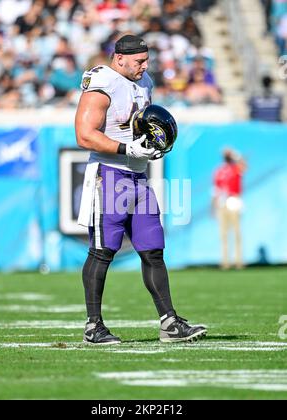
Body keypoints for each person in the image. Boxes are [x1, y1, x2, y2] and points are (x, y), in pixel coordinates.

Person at [75, 34, 207, 345]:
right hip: (109, 175)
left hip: (138, 178)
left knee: (153, 249)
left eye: (146, 60)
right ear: (118, 58)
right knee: (103, 250)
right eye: (139, 61)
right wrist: (126, 149)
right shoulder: (103, 82)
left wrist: (151, 145)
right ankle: (94, 326)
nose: (145, 66)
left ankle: (170, 322)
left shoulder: (144, 81)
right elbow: (84, 135)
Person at [212, 148, 247, 270]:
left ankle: (238, 261)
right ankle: (225, 262)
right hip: (222, 202)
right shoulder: (220, 171)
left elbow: (244, 166)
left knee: (237, 232)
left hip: (234, 200)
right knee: (224, 234)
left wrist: (235, 154)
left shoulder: (235, 168)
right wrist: (213, 206)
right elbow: (215, 189)